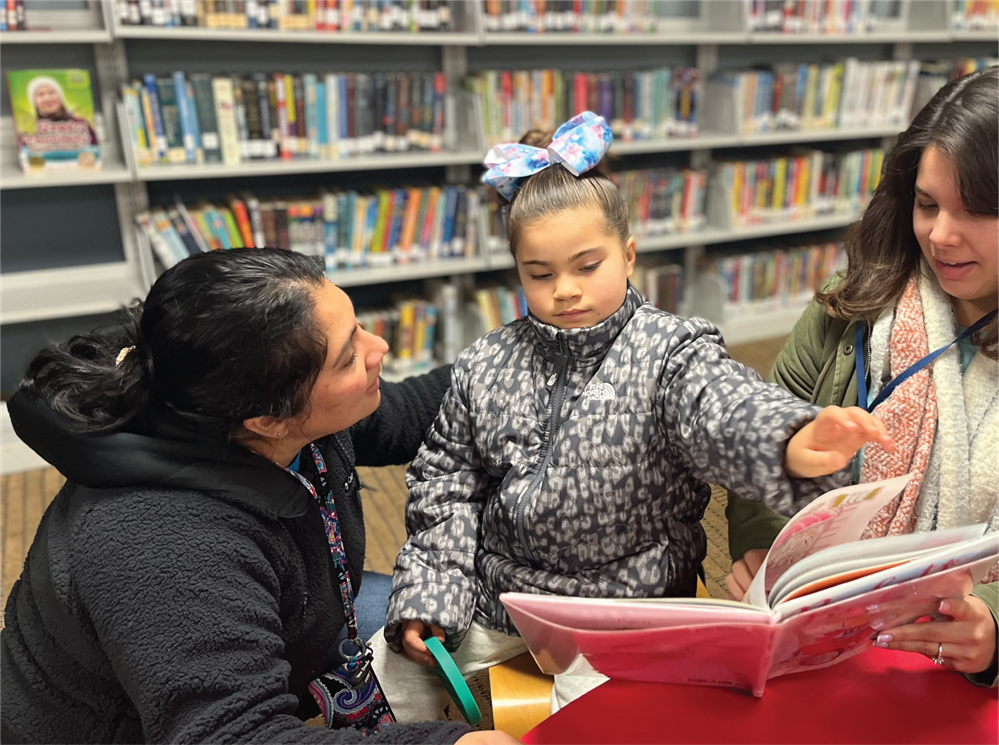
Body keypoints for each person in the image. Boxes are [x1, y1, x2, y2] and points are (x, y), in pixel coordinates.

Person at [367, 112, 895, 721]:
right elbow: (446, 480)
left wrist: (790, 440)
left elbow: (721, 406)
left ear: (629, 255)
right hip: (503, 596)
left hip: (622, 609)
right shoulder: (486, 360)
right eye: (540, 275)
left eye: (587, 267)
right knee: (391, 667)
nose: (564, 290)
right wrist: (434, 591)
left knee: (591, 720)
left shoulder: (670, 351)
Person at [0, 248, 519, 745]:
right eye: (347, 356)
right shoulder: (163, 544)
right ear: (269, 421)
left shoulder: (254, 400)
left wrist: (524, 359)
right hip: (124, 730)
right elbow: (233, 735)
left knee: (460, 611)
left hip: (293, 609)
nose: (378, 347)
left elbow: (407, 414)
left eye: (357, 325)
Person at [725, 67, 999, 686]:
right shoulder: (850, 307)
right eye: (927, 205)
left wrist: (993, 629)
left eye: (976, 210)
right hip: (819, 646)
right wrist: (766, 552)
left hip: (958, 684)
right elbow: (764, 441)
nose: (941, 236)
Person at [27, 74, 98, 145]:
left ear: (60, 97)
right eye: (41, 94)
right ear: (35, 102)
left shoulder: (80, 124)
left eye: (51, 92)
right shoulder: (31, 130)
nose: (47, 98)